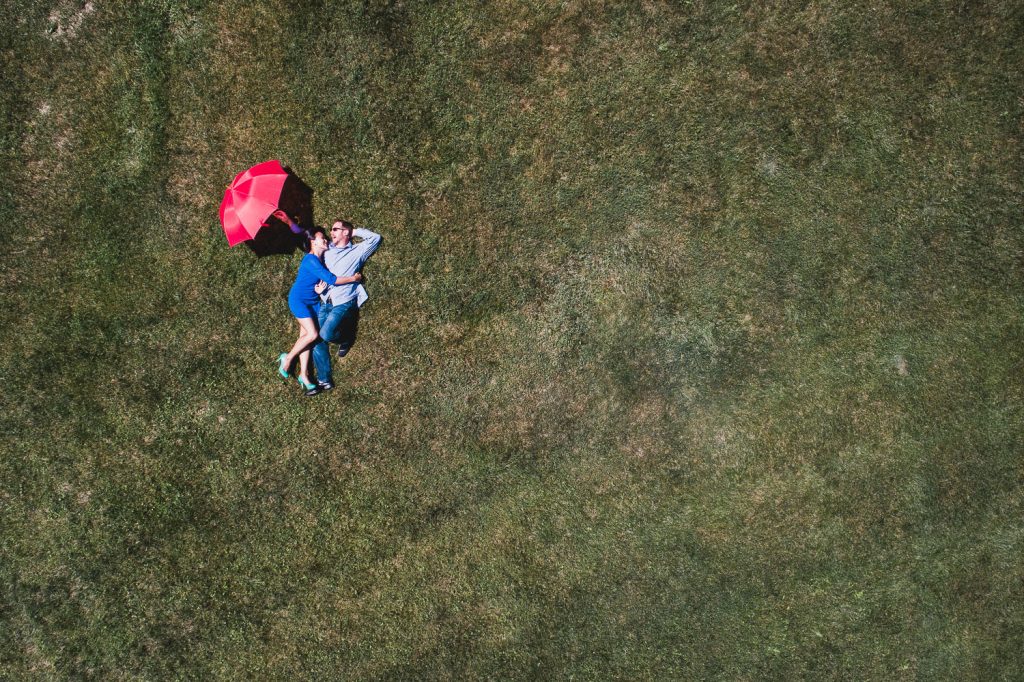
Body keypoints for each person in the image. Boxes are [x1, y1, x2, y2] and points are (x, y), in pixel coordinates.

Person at [273, 210, 363, 392]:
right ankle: (288, 358)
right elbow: (333, 279)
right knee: (313, 335)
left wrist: (290, 221)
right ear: (313, 242)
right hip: (299, 300)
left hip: (314, 301)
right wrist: (353, 279)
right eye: (322, 238)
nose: (326, 240)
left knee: (305, 338)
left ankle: (304, 375)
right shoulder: (311, 260)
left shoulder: (322, 257)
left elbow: (301, 233)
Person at [305, 219, 382, 397]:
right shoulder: (327, 249)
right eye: (331, 230)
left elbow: (375, 238)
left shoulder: (357, 251)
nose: (330, 233)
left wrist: (354, 231)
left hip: (343, 301)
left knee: (326, 334)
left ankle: (347, 338)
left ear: (346, 232)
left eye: (335, 229)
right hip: (325, 300)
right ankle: (324, 379)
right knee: (317, 339)